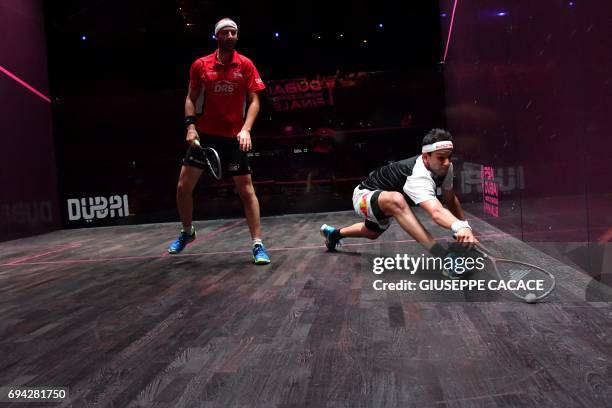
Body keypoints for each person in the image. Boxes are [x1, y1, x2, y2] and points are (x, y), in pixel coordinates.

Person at [168, 18, 270, 265]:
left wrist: (246, 130)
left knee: (246, 191)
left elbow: (255, 100)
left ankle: (258, 245)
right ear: (217, 36)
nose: (230, 35)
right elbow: (191, 98)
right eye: (225, 32)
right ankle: (187, 231)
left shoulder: (245, 64)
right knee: (183, 187)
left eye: (234, 32)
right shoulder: (200, 65)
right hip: (205, 137)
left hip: (235, 137)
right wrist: (191, 126)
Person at [320, 128, 478, 278]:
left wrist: (465, 226)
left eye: (449, 157)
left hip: (383, 202)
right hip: (363, 197)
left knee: (372, 233)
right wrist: (459, 226)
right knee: (397, 200)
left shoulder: (447, 168)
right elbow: (436, 211)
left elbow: (449, 198)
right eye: (441, 158)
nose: (446, 162)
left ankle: (333, 234)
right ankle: (445, 259)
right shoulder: (417, 175)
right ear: (425, 157)